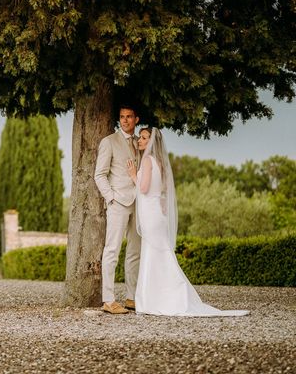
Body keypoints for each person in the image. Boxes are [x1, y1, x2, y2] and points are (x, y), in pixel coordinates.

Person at [127, 127, 249, 317]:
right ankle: (161, 296)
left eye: (143, 138)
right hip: (157, 215)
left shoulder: (149, 161)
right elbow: (162, 194)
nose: (140, 141)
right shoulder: (160, 163)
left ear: (151, 142)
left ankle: (154, 299)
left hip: (151, 215)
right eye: (140, 138)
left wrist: (134, 175)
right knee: (160, 254)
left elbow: (143, 189)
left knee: (153, 254)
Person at [94, 105, 142, 314]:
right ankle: (108, 299)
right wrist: (111, 198)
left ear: (136, 119)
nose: (124, 120)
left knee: (135, 251)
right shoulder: (109, 142)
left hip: (139, 203)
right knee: (112, 250)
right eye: (122, 117)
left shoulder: (141, 142)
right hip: (118, 203)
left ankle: (132, 297)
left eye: (129, 117)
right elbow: (99, 175)